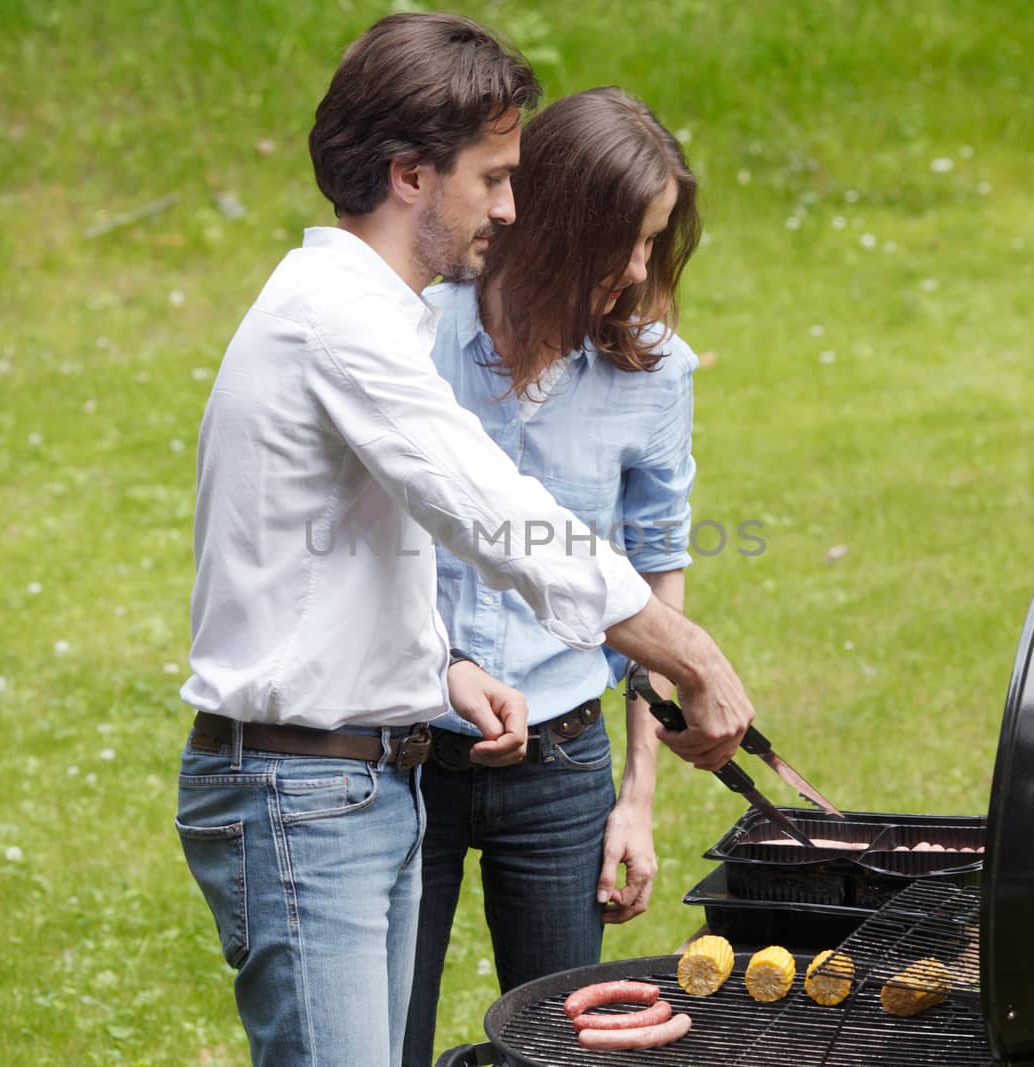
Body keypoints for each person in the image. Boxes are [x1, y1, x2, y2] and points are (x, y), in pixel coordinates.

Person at [174, 14, 756, 1067]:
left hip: (359, 778)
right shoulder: (343, 322)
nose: (509, 207)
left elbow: (359, 556)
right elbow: (494, 511)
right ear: (409, 174)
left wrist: (441, 666)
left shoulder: (365, 313)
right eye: (492, 177)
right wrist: (693, 655)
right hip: (305, 789)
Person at [402, 87, 703, 1067]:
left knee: (568, 1051)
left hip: (564, 768)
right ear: (541, 217)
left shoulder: (654, 374)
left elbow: (655, 577)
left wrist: (638, 797)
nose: (634, 271)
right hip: (401, 759)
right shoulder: (413, 341)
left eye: (653, 243)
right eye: (616, 239)